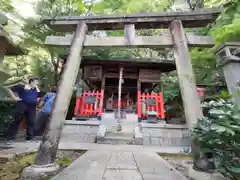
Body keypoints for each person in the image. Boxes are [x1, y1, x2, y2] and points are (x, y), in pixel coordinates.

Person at [6, 77, 40, 144]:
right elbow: (9, 88)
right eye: (36, 81)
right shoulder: (22, 86)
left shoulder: (36, 89)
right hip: (22, 105)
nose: (37, 83)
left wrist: (37, 100)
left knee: (31, 121)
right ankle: (9, 137)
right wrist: (14, 97)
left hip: (32, 107)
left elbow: (38, 96)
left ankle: (30, 138)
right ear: (31, 81)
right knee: (17, 120)